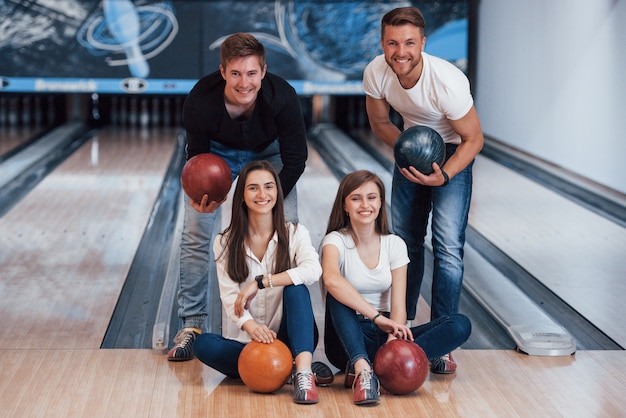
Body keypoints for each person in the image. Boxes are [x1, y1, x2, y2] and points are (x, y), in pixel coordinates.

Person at [169, 32, 308, 361]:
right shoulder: (201, 102)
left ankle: (290, 327)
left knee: (287, 232)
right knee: (194, 232)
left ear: (263, 70)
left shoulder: (282, 97)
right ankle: (192, 324)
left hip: (270, 154)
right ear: (222, 73)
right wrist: (204, 197)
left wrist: (266, 203)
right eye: (235, 73)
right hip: (218, 156)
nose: (244, 82)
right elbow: (197, 159)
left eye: (251, 73)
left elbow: (295, 161)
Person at [362, 6, 484, 373]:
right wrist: (408, 151)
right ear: (383, 43)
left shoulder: (447, 82)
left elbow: (474, 139)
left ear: (423, 43)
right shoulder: (376, 72)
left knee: (447, 245)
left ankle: (443, 340)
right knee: (403, 241)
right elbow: (380, 122)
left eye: (410, 43)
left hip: (453, 153)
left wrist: (443, 175)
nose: (401, 52)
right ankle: (403, 323)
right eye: (393, 43)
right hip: (412, 148)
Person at [320, 170, 471, 405]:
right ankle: (363, 368)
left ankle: (381, 366)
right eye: (356, 198)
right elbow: (331, 280)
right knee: (338, 294)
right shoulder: (335, 241)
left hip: (386, 333)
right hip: (346, 339)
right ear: (344, 205)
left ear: (381, 202)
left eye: (371, 197)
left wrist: (393, 345)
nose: (365, 204)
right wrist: (377, 317)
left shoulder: (394, 244)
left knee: (460, 324)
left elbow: (399, 307)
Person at [193, 160, 327, 404]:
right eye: (253, 188)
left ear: (277, 192)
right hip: (247, 343)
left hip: (291, 339)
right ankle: (281, 369)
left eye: (268, 187)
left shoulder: (296, 233)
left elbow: (313, 270)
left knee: (296, 288)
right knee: (202, 344)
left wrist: (262, 282)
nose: (262, 194)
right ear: (242, 195)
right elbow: (230, 296)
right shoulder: (224, 242)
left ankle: (303, 372)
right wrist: (252, 327)